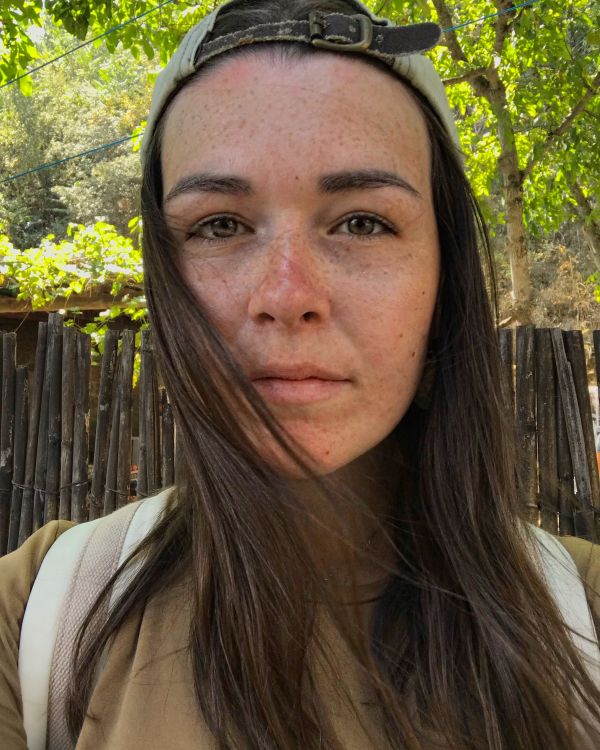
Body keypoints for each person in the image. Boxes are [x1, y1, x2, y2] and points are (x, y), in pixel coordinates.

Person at [1, 1, 600, 748]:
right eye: (219, 225)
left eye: (362, 222)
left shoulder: (583, 620)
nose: (287, 296)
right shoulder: (34, 618)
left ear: (445, 276)